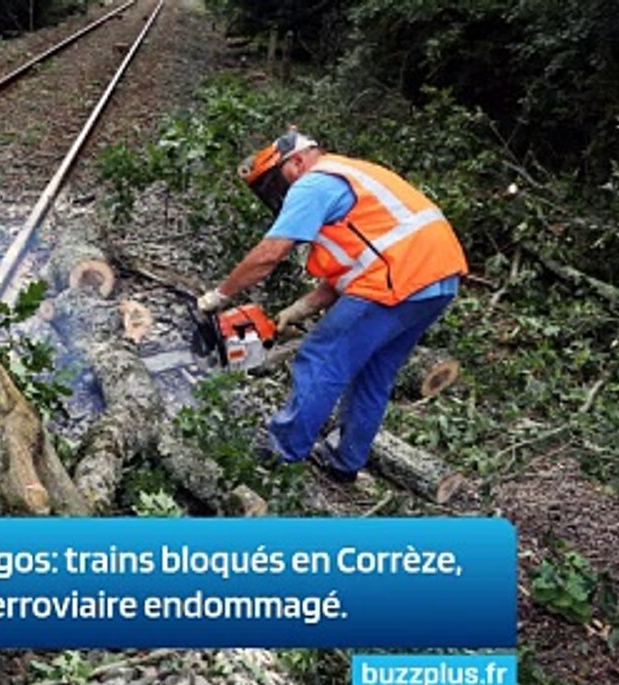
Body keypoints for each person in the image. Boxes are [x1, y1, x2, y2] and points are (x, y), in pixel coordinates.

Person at [195, 128, 467, 483]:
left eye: (278, 180)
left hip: (399, 278)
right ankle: (345, 462)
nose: (280, 191)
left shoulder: (314, 182)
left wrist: (220, 295)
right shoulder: (349, 176)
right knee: (374, 373)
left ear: (298, 160)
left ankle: (282, 454)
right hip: (436, 279)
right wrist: (297, 310)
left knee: (321, 356)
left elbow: (269, 254)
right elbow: (349, 276)